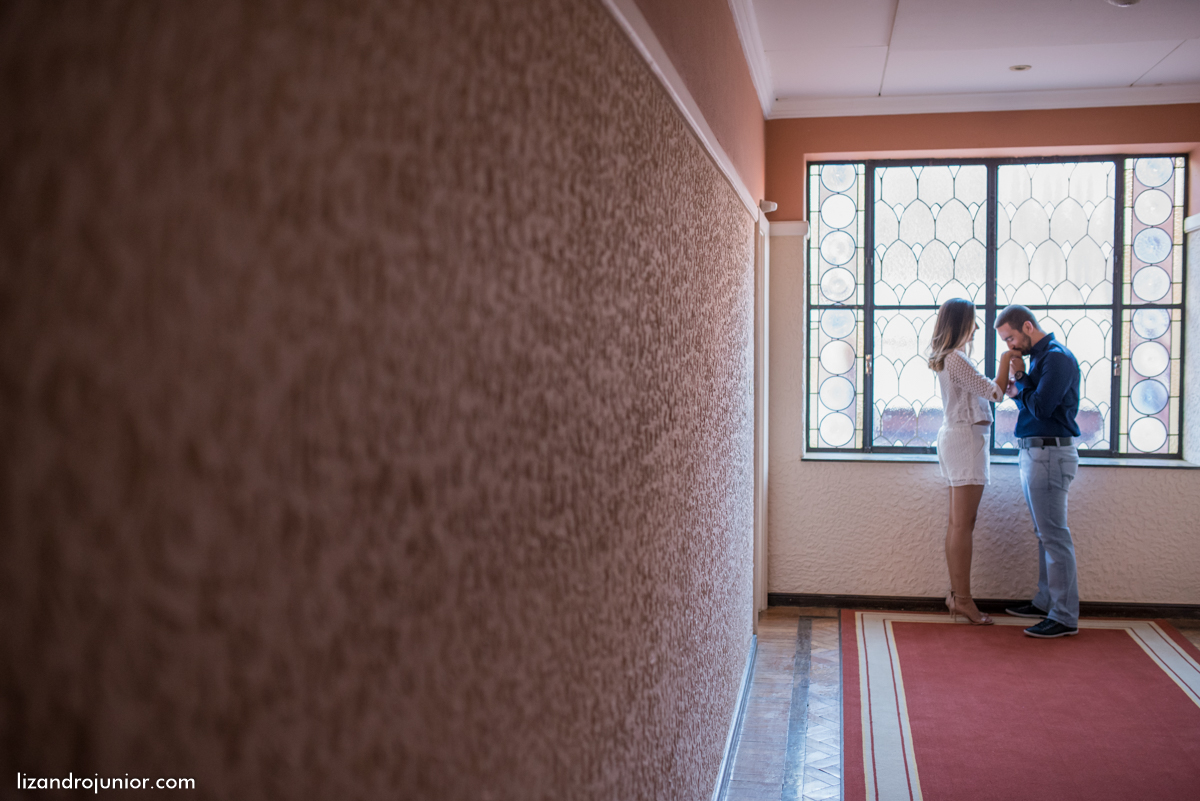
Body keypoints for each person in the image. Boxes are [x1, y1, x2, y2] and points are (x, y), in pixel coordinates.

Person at [929, 298, 1019, 626]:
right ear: (960, 324)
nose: (978, 328)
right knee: (962, 524)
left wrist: (1003, 379)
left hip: (960, 438)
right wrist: (1007, 358)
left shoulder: (952, 360)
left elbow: (990, 390)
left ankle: (958, 597)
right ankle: (963, 600)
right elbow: (994, 393)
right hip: (966, 441)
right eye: (973, 321)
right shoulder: (957, 359)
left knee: (959, 523)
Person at [994, 305, 1083, 638]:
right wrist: (1020, 382)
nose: (1010, 346)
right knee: (1044, 533)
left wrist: (1020, 377)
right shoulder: (1038, 360)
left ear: (1028, 326)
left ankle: (1063, 616)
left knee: (1055, 536)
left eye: (1011, 338)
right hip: (1036, 450)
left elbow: (1043, 407)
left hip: (1050, 452)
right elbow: (1029, 403)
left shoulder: (1056, 358)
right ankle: (1046, 601)